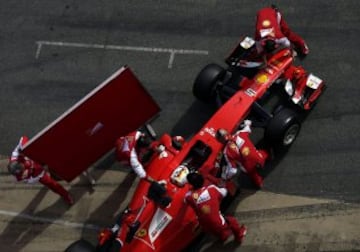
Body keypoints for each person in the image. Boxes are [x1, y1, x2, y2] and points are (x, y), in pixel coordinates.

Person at [7, 136, 74, 205]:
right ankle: (66, 195)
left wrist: (24, 148)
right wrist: (37, 169)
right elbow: (33, 180)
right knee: (53, 185)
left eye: (22, 167)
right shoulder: (20, 177)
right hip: (39, 173)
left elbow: (23, 138)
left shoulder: (15, 156)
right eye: (22, 171)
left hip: (40, 157)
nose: (24, 169)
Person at [185, 172, 247, 243]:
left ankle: (223, 236)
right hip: (217, 222)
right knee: (232, 221)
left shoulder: (189, 196)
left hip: (204, 226)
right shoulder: (212, 189)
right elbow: (224, 192)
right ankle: (240, 235)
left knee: (214, 226)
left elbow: (190, 198)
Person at [215, 120, 269, 188]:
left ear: (220, 141)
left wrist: (225, 177)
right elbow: (248, 126)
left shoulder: (226, 152)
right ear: (227, 132)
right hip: (258, 158)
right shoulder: (240, 134)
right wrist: (246, 122)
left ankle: (259, 184)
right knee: (263, 153)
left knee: (253, 174)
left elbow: (233, 171)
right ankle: (268, 157)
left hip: (248, 168)